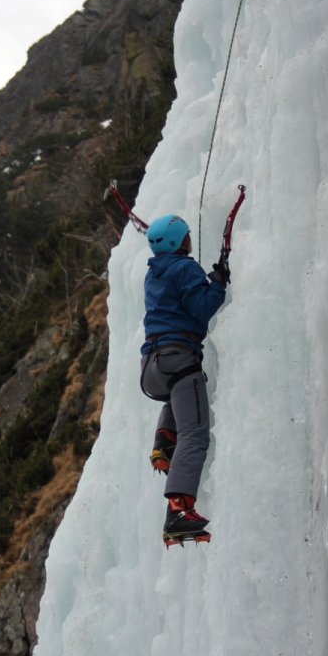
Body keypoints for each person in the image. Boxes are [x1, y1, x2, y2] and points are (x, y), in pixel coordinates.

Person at [139, 213, 229, 539]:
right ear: (180, 242)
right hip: (179, 360)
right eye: (187, 235)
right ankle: (178, 509)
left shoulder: (155, 274)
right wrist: (218, 283)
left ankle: (164, 441)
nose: (191, 238)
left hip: (152, 368)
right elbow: (202, 308)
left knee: (179, 399)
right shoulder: (185, 267)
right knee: (196, 433)